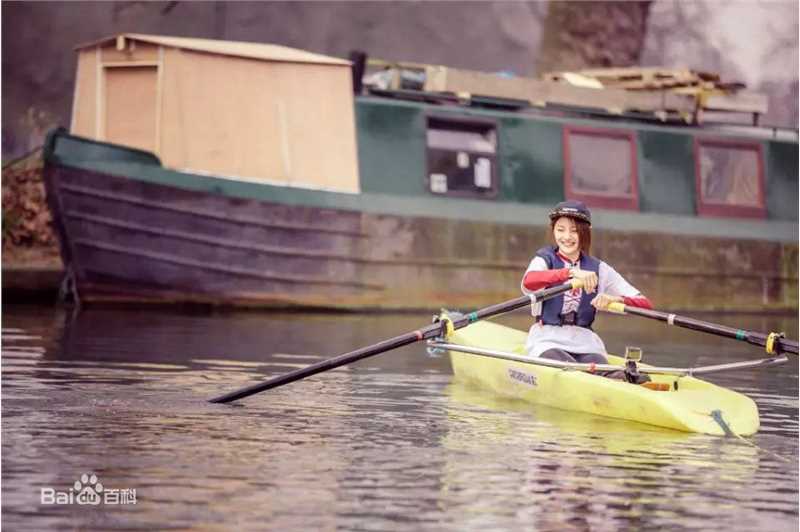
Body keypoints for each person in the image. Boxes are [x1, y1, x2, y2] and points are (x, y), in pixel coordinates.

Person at [520, 200, 653, 378]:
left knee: (609, 374)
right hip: (547, 339)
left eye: (574, 231)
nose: (566, 237)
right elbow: (530, 281)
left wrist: (617, 299)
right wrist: (571, 273)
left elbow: (645, 305)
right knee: (567, 368)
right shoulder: (544, 259)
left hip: (586, 342)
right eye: (560, 230)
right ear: (553, 231)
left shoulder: (600, 269)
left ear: (585, 233)